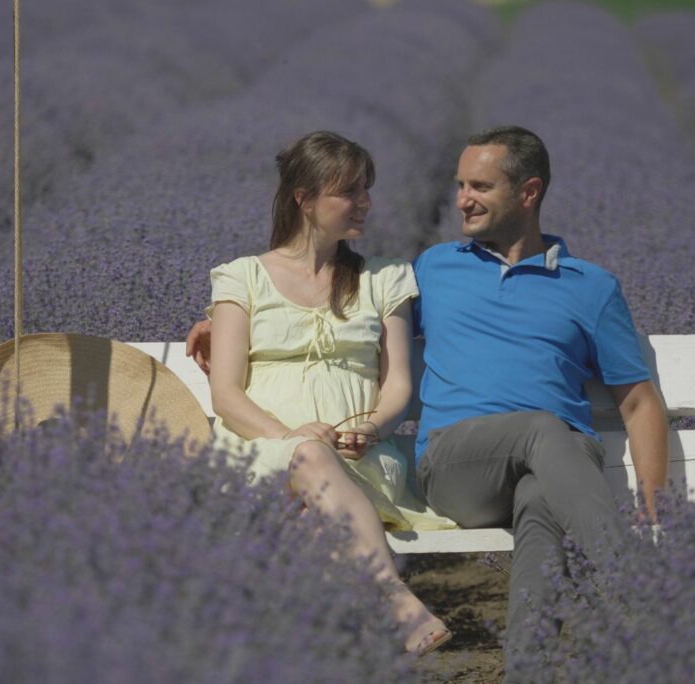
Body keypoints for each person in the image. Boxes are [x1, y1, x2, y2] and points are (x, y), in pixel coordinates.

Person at [188, 125, 668, 676]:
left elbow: (637, 402)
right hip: (460, 463)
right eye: (460, 184)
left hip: (558, 460)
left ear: (529, 192)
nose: (461, 199)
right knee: (541, 430)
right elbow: (323, 315)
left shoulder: (592, 286)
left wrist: (657, 509)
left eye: (479, 186)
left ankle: (526, 670)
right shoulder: (438, 268)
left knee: (541, 498)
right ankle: (635, 592)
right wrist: (216, 320)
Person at [203, 130, 452, 657]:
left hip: (355, 463)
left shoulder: (384, 279)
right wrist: (291, 437)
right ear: (305, 198)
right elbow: (225, 394)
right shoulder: (242, 277)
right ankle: (397, 602)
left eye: (367, 190)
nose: (366, 203)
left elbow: (398, 384)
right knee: (308, 461)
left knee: (315, 542)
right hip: (259, 457)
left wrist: (371, 427)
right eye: (351, 192)